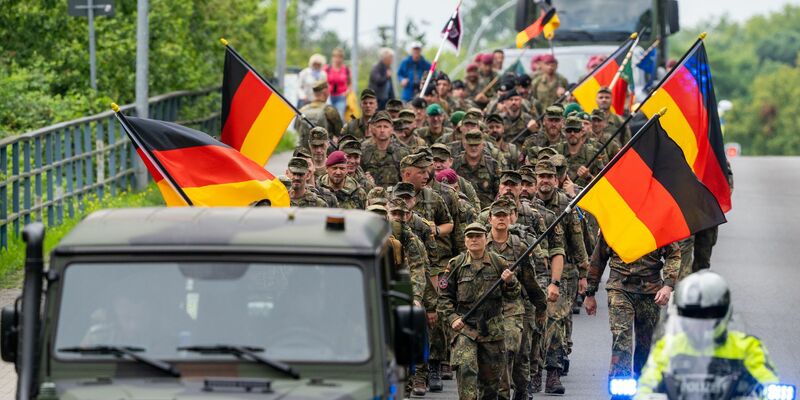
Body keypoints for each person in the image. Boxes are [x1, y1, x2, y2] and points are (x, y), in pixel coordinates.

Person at [636, 271, 780, 399]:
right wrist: (644, 395)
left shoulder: (747, 347)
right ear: (679, 315)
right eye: (691, 315)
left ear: (724, 312)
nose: (700, 322)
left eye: (709, 315)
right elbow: (648, 381)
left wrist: (768, 391)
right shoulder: (669, 345)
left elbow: (768, 381)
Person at [438, 222, 521, 400]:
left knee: (491, 384)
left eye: (478, 236)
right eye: (470, 237)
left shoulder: (498, 262)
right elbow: (444, 298)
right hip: (465, 328)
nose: (474, 240)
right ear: (465, 241)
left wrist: (510, 282)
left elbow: (514, 295)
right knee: (466, 369)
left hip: (492, 330)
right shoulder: (456, 265)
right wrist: (453, 319)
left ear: (486, 239)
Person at [584, 234, 680, 384]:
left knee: (646, 343)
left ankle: (642, 382)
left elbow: (673, 255)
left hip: (650, 291)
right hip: (619, 288)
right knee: (621, 337)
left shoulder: (659, 224)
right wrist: (590, 292)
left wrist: (668, 285)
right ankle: (620, 384)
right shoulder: (613, 223)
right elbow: (598, 258)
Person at [451, 130, 501, 208]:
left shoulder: (492, 165)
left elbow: (499, 192)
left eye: (476, 145)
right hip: (462, 211)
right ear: (465, 145)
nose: (473, 148)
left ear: (483, 145)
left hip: (487, 212)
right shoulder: (455, 164)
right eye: (471, 145)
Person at [360, 111, 409, 187]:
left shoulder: (402, 152)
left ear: (391, 129)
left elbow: (407, 180)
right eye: (379, 126)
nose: (382, 130)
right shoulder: (364, 151)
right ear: (373, 129)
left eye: (386, 127)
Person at [295, 80, 343, 146]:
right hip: (323, 151)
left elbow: (296, 128)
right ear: (326, 92)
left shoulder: (303, 110)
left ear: (314, 94)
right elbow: (339, 132)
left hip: (305, 150)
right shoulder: (330, 110)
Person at [325, 47, 351, 119]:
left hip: (340, 97)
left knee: (339, 117)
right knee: (328, 117)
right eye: (335, 56)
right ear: (332, 57)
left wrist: (346, 93)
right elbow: (322, 82)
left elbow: (349, 84)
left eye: (340, 57)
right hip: (328, 97)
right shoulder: (327, 68)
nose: (337, 59)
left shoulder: (346, 69)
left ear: (342, 58)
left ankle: (338, 130)